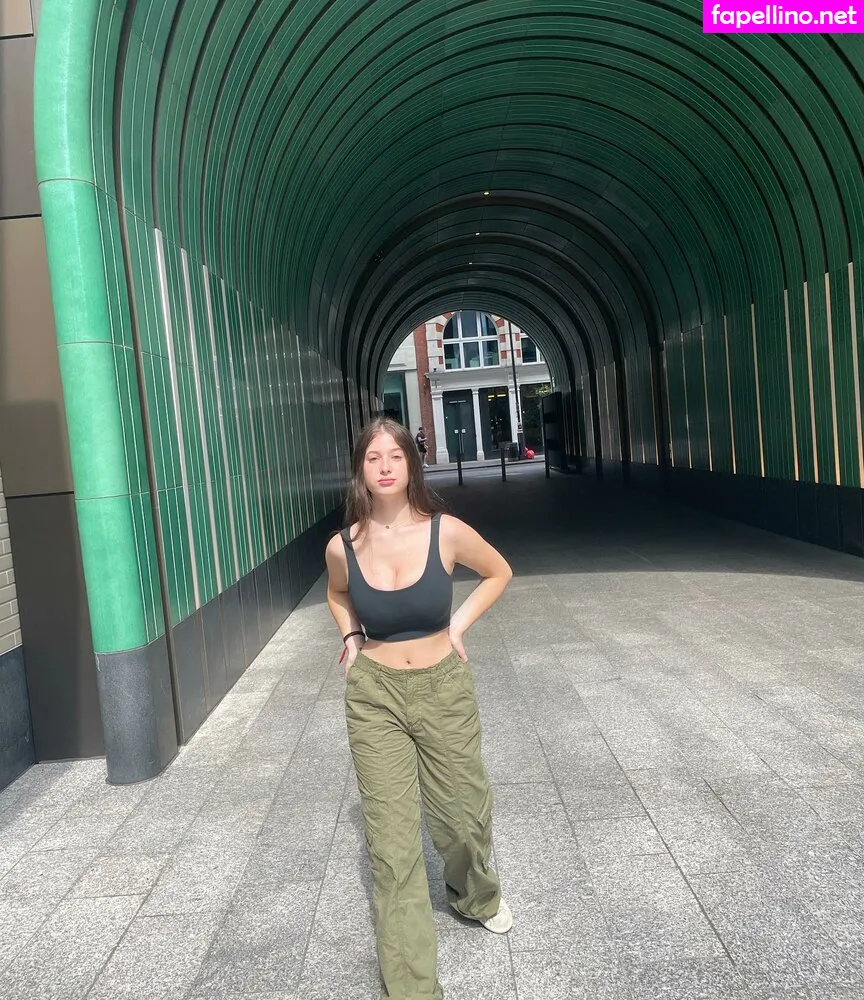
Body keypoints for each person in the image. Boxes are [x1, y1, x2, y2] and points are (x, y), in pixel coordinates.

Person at [325, 417, 513, 1000]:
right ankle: (412, 988)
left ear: (411, 463)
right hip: (374, 695)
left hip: (443, 689)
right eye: (373, 457)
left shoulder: (445, 532)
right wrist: (351, 636)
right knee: (392, 847)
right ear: (360, 469)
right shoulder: (343, 545)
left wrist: (457, 625)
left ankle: (475, 893)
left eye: (395, 456)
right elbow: (337, 591)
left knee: (461, 817)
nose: (385, 467)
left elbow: (498, 571)